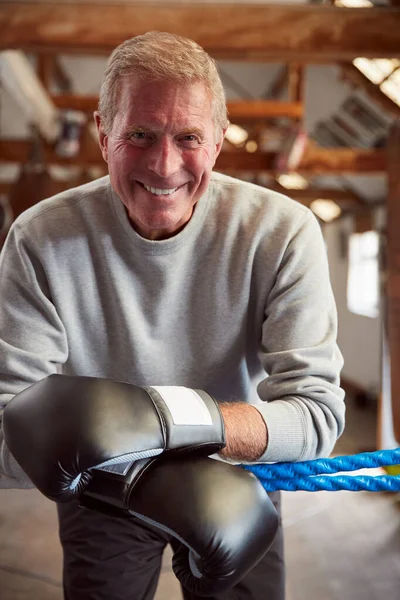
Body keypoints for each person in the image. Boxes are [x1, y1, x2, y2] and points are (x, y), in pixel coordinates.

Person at [0, 31, 345, 600]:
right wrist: (94, 450)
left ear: (218, 143)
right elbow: (9, 427)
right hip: (105, 490)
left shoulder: (282, 233)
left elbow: (316, 417)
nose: (165, 166)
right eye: (140, 134)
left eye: (189, 136)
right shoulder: (40, 238)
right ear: (103, 134)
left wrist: (159, 420)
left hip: (241, 477)